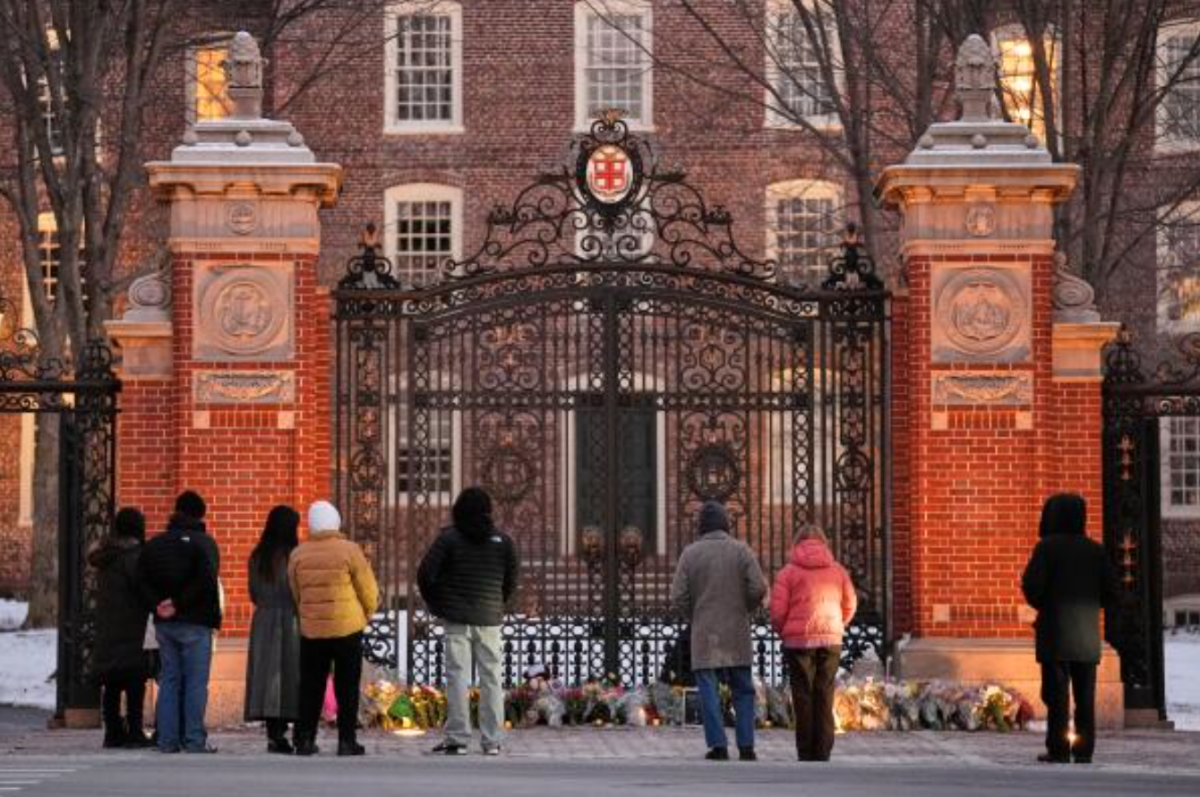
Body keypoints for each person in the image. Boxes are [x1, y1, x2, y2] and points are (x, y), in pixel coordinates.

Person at [418, 487, 519, 756]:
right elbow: (511, 581)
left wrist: (438, 603)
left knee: (457, 677)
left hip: (457, 619)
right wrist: (498, 604)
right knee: (491, 679)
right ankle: (493, 739)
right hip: (489, 619)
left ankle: (458, 738)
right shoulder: (503, 541)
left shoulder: (448, 539)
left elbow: (426, 574)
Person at [1022, 493, 1118, 765]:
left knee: (1057, 696)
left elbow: (1032, 587)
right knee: (1085, 698)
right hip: (1086, 637)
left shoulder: (1047, 548)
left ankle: (1059, 748)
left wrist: (1046, 603)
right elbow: (1112, 592)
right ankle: (1084, 749)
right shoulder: (1096, 550)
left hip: (1055, 634)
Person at [670, 500, 767, 762]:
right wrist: (745, 607)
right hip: (736, 628)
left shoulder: (690, 554)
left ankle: (718, 745)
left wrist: (695, 613)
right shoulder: (742, 551)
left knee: (708, 690)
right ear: (726, 524)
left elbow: (678, 595)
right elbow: (758, 587)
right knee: (743, 688)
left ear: (701, 526)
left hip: (705, 631)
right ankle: (746, 746)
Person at [288, 500, 379, 757]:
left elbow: (296, 592)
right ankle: (346, 740)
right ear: (336, 522)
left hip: (313, 630)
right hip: (347, 627)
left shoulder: (298, 554)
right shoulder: (349, 550)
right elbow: (368, 589)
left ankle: (305, 739)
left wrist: (308, 613)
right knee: (347, 686)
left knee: (311, 686)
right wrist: (366, 614)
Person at [137, 490, 221, 754]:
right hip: (196, 621)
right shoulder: (203, 543)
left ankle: (167, 740)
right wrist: (179, 604)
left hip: (164, 624)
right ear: (200, 514)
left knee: (170, 679)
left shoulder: (155, 545)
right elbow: (206, 580)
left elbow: (141, 581)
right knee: (196, 682)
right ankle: (194, 739)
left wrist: (158, 605)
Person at [769, 524, 857, 762]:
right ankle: (823, 749)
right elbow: (850, 603)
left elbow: (777, 611)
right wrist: (838, 625)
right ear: (824, 543)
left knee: (802, 695)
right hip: (830, 640)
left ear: (796, 544)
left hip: (798, 641)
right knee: (824, 691)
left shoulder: (788, 572)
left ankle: (805, 750)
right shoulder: (838, 571)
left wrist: (784, 630)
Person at [89, 507, 153, 749]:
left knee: (112, 683)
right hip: (131, 625)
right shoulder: (134, 557)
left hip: (108, 625)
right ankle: (135, 730)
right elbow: (141, 588)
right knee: (135, 680)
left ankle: (113, 730)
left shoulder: (106, 556)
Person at [244, 505, 302, 754]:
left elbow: (253, 592)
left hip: (264, 619)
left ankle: (274, 734)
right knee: (292, 675)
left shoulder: (258, 556)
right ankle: (294, 732)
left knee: (267, 676)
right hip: (291, 618)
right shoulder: (295, 555)